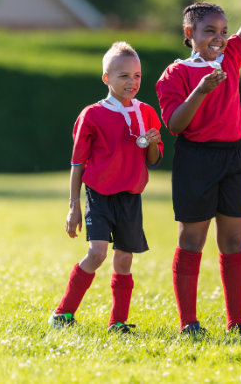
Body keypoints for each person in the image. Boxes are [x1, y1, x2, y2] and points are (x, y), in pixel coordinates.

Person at [155, 0, 241, 334]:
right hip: (196, 159)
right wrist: (200, 91)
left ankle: (237, 322)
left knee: (234, 241)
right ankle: (189, 322)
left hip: (233, 157)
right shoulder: (175, 75)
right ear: (189, 34)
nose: (219, 38)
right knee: (192, 239)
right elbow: (174, 124)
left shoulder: (232, 56)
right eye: (209, 31)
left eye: (223, 31)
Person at [49, 42, 164, 333]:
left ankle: (118, 322)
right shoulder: (92, 115)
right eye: (124, 76)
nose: (132, 82)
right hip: (99, 196)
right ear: (106, 78)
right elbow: (78, 165)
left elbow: (153, 160)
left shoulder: (147, 113)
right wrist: (74, 207)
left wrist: (151, 143)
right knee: (98, 253)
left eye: (137, 76)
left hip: (131, 198)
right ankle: (63, 313)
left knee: (124, 260)